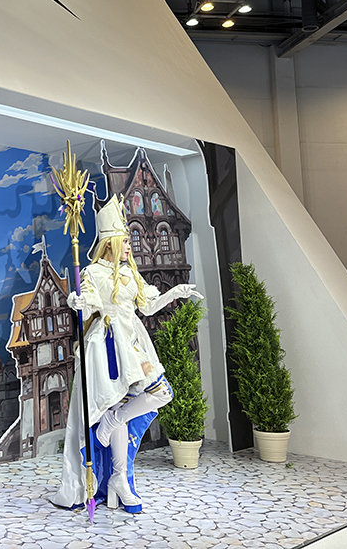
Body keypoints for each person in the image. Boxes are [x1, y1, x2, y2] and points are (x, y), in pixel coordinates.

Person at [51, 196, 202, 514]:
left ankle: (113, 422)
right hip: (107, 343)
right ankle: (119, 478)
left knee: (161, 393)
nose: (131, 246)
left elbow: (148, 306)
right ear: (110, 243)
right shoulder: (93, 272)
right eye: (126, 241)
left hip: (134, 342)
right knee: (116, 400)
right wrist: (77, 302)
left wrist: (176, 292)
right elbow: (89, 304)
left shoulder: (131, 274)